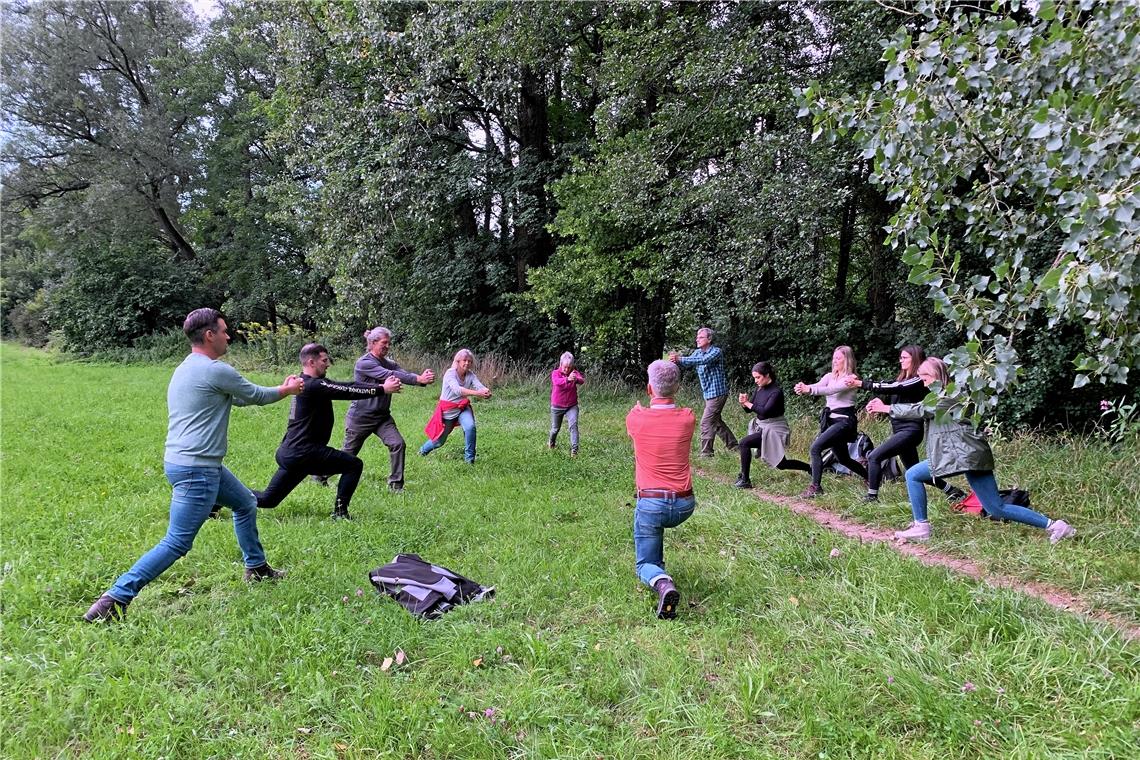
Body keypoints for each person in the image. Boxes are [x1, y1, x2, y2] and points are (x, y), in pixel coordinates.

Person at [83, 308, 304, 623]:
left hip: (189, 463)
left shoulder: (187, 369)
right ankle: (114, 599)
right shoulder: (215, 370)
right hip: (197, 469)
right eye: (225, 330)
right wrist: (287, 390)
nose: (229, 336)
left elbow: (237, 397)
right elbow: (254, 395)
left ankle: (256, 568)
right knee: (177, 542)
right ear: (210, 334)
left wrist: (280, 390)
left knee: (245, 504)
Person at [891, 357, 1075, 544]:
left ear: (937, 375)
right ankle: (1057, 526)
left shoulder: (950, 396)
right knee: (996, 507)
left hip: (962, 454)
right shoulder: (947, 394)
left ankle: (921, 527)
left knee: (913, 474)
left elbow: (921, 409)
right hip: (972, 454)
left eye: (925, 377)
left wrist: (886, 408)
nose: (923, 382)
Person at [255, 343, 402, 520]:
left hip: (291, 452)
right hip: (304, 452)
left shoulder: (303, 383)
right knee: (353, 465)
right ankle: (340, 514)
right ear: (311, 362)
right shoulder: (313, 385)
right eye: (324, 360)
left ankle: (219, 498)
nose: (328, 364)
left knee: (268, 499)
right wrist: (382, 389)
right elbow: (348, 389)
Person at [846, 345, 966, 503]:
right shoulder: (904, 380)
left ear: (914, 359)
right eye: (900, 357)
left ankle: (872, 496)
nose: (900, 360)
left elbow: (909, 402)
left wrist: (862, 384)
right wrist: (881, 403)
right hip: (900, 430)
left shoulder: (917, 380)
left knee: (874, 456)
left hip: (910, 431)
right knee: (913, 470)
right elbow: (896, 390)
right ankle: (952, 491)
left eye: (904, 357)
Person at [626, 359, 696, 620]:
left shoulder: (635, 418)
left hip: (652, 503)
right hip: (684, 505)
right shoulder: (688, 418)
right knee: (654, 528)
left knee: (644, 563)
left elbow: (638, 422)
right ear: (677, 387)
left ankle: (662, 582)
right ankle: (662, 573)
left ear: (648, 388)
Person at [328, 327, 435, 493]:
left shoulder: (388, 362)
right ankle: (320, 474)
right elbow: (389, 374)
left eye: (389, 344)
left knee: (398, 444)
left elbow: (401, 373)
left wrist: (422, 380)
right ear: (373, 343)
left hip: (382, 417)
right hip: (360, 418)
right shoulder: (364, 363)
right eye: (384, 343)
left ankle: (396, 486)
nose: (387, 346)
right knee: (348, 456)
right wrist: (418, 379)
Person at [793, 345, 868, 498]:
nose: (835, 361)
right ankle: (870, 476)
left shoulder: (851, 379)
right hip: (831, 421)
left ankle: (815, 487)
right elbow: (818, 386)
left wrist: (810, 390)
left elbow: (831, 390)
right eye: (834, 358)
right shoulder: (829, 376)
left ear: (847, 360)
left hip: (844, 421)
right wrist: (803, 388)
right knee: (843, 458)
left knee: (816, 448)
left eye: (839, 358)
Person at [733, 362, 810, 489]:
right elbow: (750, 409)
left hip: (775, 428)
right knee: (780, 463)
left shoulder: (776, 392)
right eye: (754, 378)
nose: (756, 381)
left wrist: (747, 403)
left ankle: (745, 480)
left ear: (767, 375)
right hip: (762, 427)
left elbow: (765, 411)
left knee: (746, 444)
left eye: (758, 377)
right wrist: (743, 403)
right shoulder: (759, 389)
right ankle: (810, 468)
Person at [670, 327, 738, 457]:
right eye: (697, 337)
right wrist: (674, 361)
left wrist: (680, 359)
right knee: (716, 423)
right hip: (708, 394)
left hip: (718, 393)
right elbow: (688, 363)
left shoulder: (716, 352)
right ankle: (735, 447)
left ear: (709, 339)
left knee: (706, 422)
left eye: (700, 337)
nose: (697, 339)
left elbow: (703, 361)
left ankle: (707, 454)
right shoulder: (697, 353)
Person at [419, 349, 491, 463]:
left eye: (469, 361)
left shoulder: (470, 375)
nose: (467, 363)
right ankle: (422, 451)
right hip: (448, 410)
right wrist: (478, 393)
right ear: (458, 361)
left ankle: (469, 460)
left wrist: (485, 391)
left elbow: (479, 386)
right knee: (439, 441)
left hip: (462, 408)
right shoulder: (450, 373)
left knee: (470, 427)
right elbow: (457, 390)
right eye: (464, 360)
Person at [549, 351, 585, 456]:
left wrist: (576, 379)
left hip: (571, 405)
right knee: (555, 429)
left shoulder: (574, 372)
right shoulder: (555, 373)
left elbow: (582, 381)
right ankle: (551, 443)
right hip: (557, 406)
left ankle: (574, 450)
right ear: (561, 365)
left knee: (573, 426)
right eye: (565, 367)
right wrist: (567, 379)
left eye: (569, 367)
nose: (567, 369)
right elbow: (557, 382)